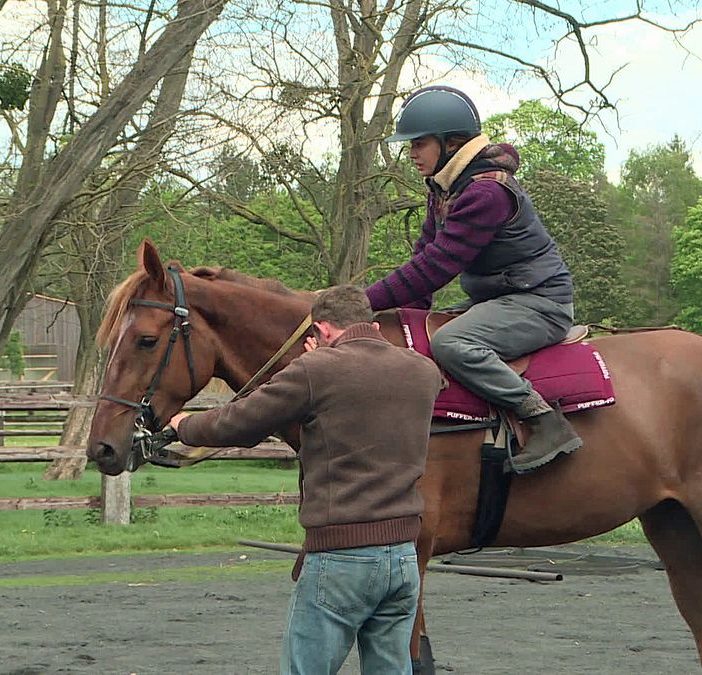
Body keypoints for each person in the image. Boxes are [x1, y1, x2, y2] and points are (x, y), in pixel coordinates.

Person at [168, 286, 442, 675]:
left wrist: (184, 425)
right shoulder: (422, 371)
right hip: (402, 555)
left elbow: (240, 421)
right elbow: (364, 395)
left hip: (341, 554)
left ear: (321, 329)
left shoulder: (315, 370)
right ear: (372, 323)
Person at [366, 85, 582, 474]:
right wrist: (408, 315)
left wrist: (362, 303)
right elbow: (425, 254)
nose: (411, 153)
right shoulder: (445, 187)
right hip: (499, 299)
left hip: (540, 304)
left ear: (451, 143)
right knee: (426, 328)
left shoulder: (487, 191)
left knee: (452, 343)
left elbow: (436, 267)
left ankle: (543, 420)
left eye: (419, 143)